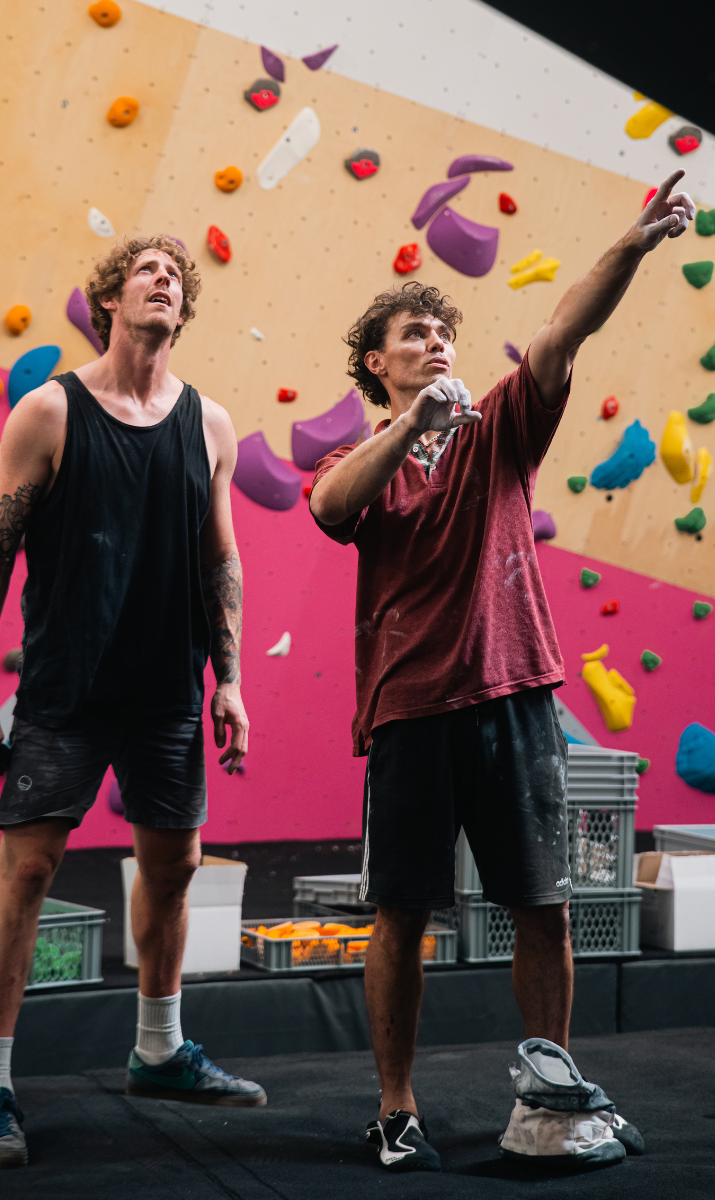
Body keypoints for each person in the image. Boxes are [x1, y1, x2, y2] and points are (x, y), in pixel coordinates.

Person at [309, 170, 694, 1172]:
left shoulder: (499, 430)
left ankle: (550, 1100)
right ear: (373, 365)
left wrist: (633, 243)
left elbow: (563, 333)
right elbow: (326, 509)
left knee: (543, 905)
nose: (436, 344)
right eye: (412, 337)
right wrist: (409, 426)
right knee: (399, 912)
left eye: (443, 335)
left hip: (514, 698)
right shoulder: (365, 459)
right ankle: (396, 1109)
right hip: (407, 711)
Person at [0, 235, 266, 1170]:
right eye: (147, 270)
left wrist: (231, 679)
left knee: (174, 867)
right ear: (109, 302)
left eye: (176, 272)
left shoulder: (210, 423)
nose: (165, 277)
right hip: (66, 687)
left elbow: (220, 559)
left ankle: (159, 1052)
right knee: (30, 872)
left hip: (167, 688)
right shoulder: (49, 411)